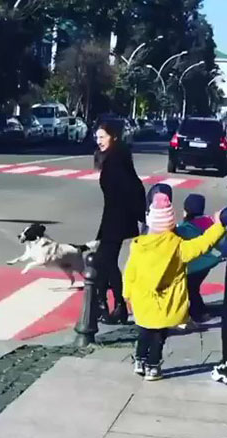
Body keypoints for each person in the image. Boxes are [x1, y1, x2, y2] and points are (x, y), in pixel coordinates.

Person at [124, 193, 227, 381]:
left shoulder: (138, 246)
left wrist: (127, 293)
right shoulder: (179, 247)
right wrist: (220, 225)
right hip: (167, 302)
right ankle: (153, 367)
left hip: (143, 300)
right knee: (160, 335)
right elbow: (203, 244)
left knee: (144, 331)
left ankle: (139, 359)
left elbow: (130, 272)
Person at [94, 122, 146, 325]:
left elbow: (131, 186)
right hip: (115, 217)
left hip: (117, 218)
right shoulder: (116, 156)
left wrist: (136, 213)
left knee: (102, 261)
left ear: (113, 137)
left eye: (103, 137)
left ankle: (110, 306)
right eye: (97, 137)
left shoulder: (115, 159)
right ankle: (115, 307)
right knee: (105, 261)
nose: (99, 141)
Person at [175, 194, 227, 325]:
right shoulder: (208, 222)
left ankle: (198, 313)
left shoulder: (186, 228)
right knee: (193, 287)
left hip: (196, 265)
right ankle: (199, 309)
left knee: (190, 287)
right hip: (209, 262)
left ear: (186, 210)